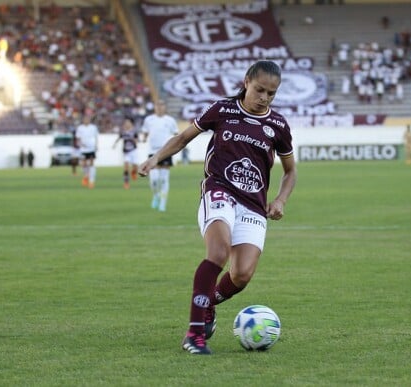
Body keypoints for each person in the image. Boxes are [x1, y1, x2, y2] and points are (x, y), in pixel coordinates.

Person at [138, 60, 297, 355]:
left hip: (253, 204)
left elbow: (290, 171)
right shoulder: (222, 110)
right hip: (219, 191)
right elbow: (184, 137)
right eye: (260, 89)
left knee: (242, 275)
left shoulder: (278, 125)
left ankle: (207, 302)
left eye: (271, 93)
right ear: (247, 81)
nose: (264, 97)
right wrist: (156, 157)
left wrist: (280, 200)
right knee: (219, 251)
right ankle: (195, 335)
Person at [140, 100, 179, 211]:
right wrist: (144, 138)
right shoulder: (149, 120)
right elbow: (145, 131)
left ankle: (163, 203)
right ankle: (156, 195)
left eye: (162, 105)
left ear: (164, 107)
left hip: (166, 151)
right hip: (152, 151)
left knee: (164, 179)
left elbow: (176, 134)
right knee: (154, 179)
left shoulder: (170, 120)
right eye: (157, 105)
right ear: (154, 107)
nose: (159, 107)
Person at [112, 116, 139, 189]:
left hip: (133, 151)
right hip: (126, 151)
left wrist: (132, 138)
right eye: (125, 123)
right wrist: (115, 144)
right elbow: (119, 138)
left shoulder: (134, 131)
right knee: (126, 166)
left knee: (135, 166)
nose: (126, 124)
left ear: (131, 124)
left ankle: (134, 172)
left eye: (128, 122)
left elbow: (137, 141)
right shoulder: (123, 131)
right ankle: (126, 183)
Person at [75, 112, 99, 189]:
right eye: (85, 119)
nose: (86, 120)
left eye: (87, 119)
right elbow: (78, 138)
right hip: (83, 148)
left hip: (91, 148)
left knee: (91, 163)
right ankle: (86, 175)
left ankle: (91, 181)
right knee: (83, 164)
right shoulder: (80, 128)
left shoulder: (93, 127)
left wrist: (96, 145)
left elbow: (96, 137)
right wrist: (80, 144)